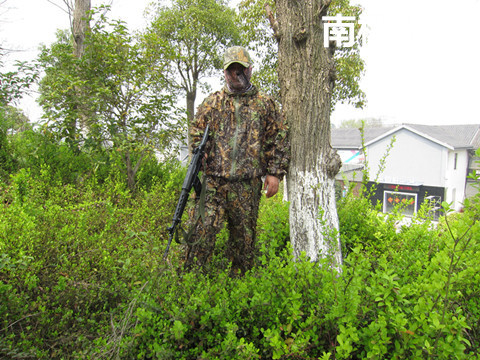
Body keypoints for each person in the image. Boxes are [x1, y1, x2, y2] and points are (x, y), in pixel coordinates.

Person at [184, 46, 289, 274]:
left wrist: (274, 174)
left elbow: (278, 138)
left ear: (250, 69)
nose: (235, 74)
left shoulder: (265, 104)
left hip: (246, 185)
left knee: (243, 244)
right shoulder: (212, 103)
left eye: (240, 69)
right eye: (231, 70)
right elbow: (195, 133)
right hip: (213, 183)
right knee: (199, 234)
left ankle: (239, 291)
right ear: (224, 73)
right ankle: (189, 288)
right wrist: (199, 155)